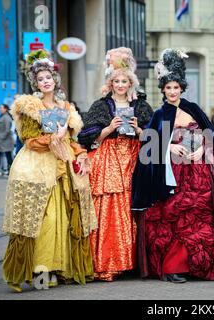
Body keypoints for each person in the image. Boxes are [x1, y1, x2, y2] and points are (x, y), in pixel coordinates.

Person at [131, 48, 214, 283]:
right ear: (163, 90)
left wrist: (204, 147)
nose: (172, 92)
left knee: (200, 215)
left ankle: (197, 267)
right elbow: (149, 145)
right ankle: (173, 266)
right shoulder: (160, 114)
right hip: (172, 173)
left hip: (198, 171)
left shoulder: (193, 108)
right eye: (168, 88)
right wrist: (168, 147)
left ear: (182, 88)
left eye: (176, 87)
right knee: (173, 216)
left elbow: (210, 134)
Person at [2, 49, 97, 292]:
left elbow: (73, 141)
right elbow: (29, 140)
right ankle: (38, 268)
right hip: (38, 169)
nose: (46, 82)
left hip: (64, 170)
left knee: (63, 220)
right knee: (41, 220)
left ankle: (58, 268)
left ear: (55, 80)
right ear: (36, 83)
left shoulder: (65, 106)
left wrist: (81, 152)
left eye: (49, 77)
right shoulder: (29, 106)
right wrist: (52, 137)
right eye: (41, 78)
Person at [78, 47, 154, 282]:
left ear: (130, 82)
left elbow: (154, 136)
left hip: (134, 160)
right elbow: (86, 136)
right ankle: (110, 260)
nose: (120, 85)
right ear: (111, 83)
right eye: (116, 81)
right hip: (108, 160)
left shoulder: (141, 105)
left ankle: (134, 262)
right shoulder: (101, 105)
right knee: (110, 208)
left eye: (124, 81)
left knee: (135, 208)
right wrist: (108, 129)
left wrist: (139, 129)